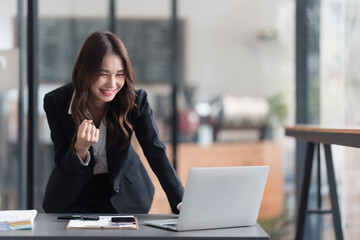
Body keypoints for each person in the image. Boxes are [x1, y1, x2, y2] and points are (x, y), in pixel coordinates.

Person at [42, 31, 184, 214]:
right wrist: (80, 149)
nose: (112, 83)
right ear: (85, 71)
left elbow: (155, 151)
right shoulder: (56, 102)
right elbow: (62, 162)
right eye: (103, 74)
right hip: (72, 195)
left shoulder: (135, 101)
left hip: (125, 193)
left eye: (119, 74)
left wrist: (181, 203)